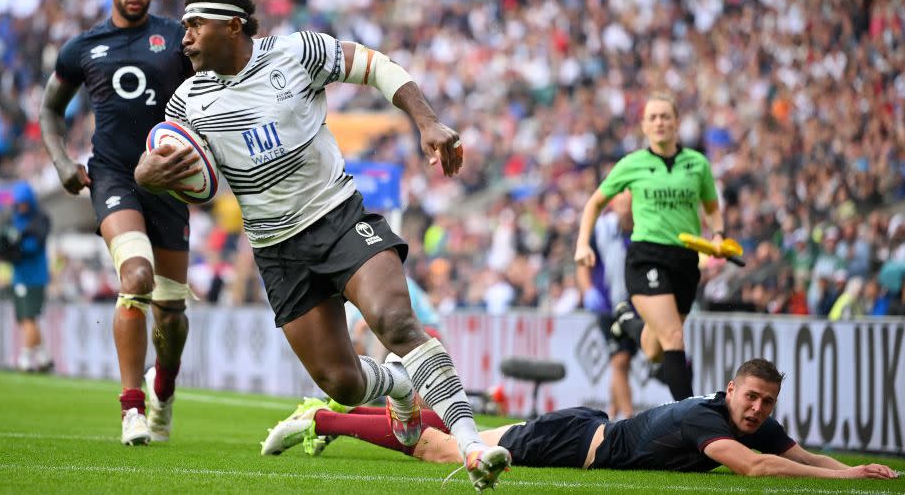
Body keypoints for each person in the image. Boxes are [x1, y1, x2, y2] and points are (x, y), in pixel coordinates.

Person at [133, 0, 509, 490]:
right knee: (342, 383)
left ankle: (471, 445)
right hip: (275, 250)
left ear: (232, 26)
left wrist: (427, 122)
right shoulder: (186, 102)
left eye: (196, 25)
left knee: (396, 321)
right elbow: (167, 169)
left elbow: (377, 66)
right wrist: (146, 176)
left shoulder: (296, 52)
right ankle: (398, 383)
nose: (186, 38)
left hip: (337, 217)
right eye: (184, 27)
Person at [264, 359, 899, 481]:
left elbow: (792, 452)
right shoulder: (714, 426)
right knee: (444, 449)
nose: (758, 410)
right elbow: (761, 467)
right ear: (731, 390)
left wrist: (848, 465)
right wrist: (846, 483)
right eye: (750, 398)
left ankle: (341, 414)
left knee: (464, 435)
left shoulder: (742, 419)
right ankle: (325, 419)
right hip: (569, 440)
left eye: (766, 403)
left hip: (582, 433)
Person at [39, 0, 194, 445]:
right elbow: (49, 108)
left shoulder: (177, 38)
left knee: (170, 311)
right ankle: (131, 408)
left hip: (169, 181)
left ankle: (163, 390)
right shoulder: (83, 47)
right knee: (137, 279)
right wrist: (63, 162)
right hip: (112, 177)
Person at [575, 91, 725, 402]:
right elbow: (595, 203)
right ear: (644, 125)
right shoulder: (633, 164)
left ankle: (628, 323)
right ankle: (692, 418)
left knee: (655, 348)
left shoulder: (697, 165)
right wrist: (582, 245)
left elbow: (711, 207)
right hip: (646, 258)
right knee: (673, 336)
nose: (659, 122)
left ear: (676, 123)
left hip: (685, 261)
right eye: (653, 117)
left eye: (665, 116)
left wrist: (719, 234)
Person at [576, 191, 637, 419]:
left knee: (623, 362)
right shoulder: (601, 228)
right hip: (606, 307)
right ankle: (630, 417)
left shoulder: (643, 229)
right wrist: (588, 290)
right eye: (621, 199)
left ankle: (612, 412)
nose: (625, 204)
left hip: (635, 307)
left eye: (629, 200)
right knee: (620, 360)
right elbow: (583, 261)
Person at [0, 182, 53, 372]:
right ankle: (43, 357)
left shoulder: (39, 219)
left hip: (34, 277)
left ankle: (25, 358)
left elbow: (34, 246)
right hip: (19, 275)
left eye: (23, 202)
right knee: (26, 319)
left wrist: (16, 246)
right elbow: (6, 244)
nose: (21, 206)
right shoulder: (12, 219)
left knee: (29, 318)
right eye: (18, 203)